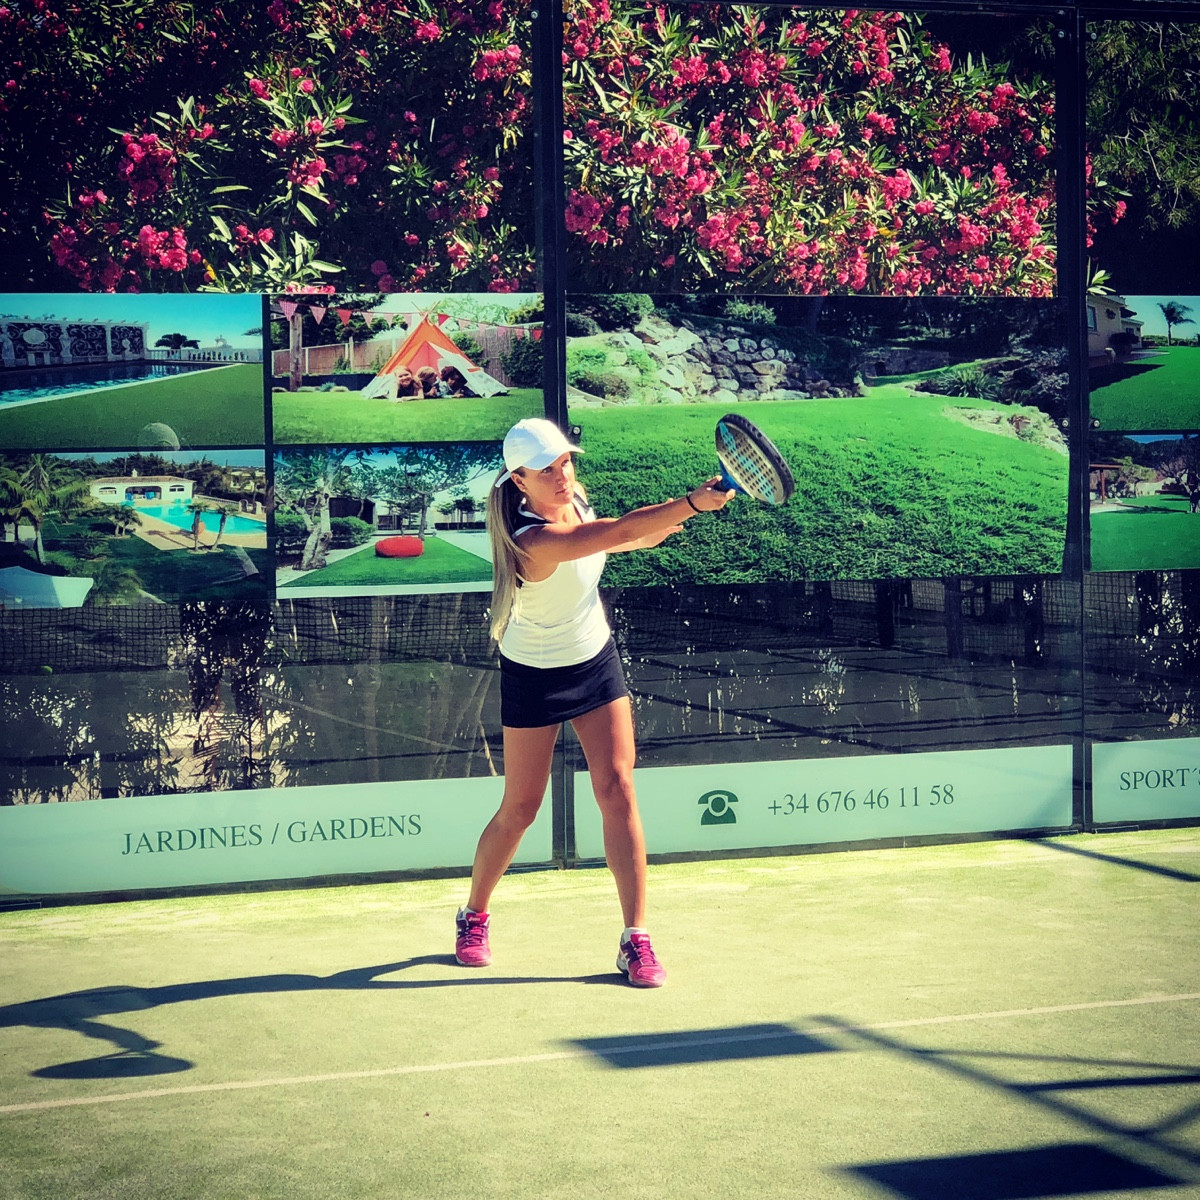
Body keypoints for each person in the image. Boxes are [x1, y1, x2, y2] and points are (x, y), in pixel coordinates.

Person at [456, 417, 735, 987]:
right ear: (519, 481)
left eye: (565, 462)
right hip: (533, 672)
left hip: (593, 657)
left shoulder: (575, 499)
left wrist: (677, 516)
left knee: (618, 788)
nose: (562, 476)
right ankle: (473, 915)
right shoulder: (531, 541)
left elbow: (629, 536)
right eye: (547, 470)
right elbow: (616, 531)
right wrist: (689, 503)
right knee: (521, 809)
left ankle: (636, 939)